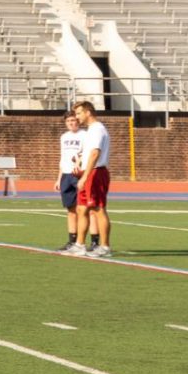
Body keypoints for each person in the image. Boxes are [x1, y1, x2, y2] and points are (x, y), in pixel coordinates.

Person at [71, 101, 114, 258]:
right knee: (82, 209)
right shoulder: (90, 130)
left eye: (79, 113)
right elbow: (88, 153)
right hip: (88, 172)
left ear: (88, 112)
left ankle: (105, 247)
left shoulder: (97, 129)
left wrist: (85, 176)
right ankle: (79, 245)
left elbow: (95, 154)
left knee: (98, 209)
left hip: (95, 173)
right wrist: (79, 162)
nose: (77, 117)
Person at [55, 106, 86, 252]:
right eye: (69, 121)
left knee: (84, 209)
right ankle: (72, 241)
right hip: (66, 174)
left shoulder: (84, 135)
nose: (72, 123)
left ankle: (89, 242)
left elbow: (86, 153)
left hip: (79, 174)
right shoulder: (64, 137)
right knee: (70, 210)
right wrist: (58, 178)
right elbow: (63, 158)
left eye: (74, 120)